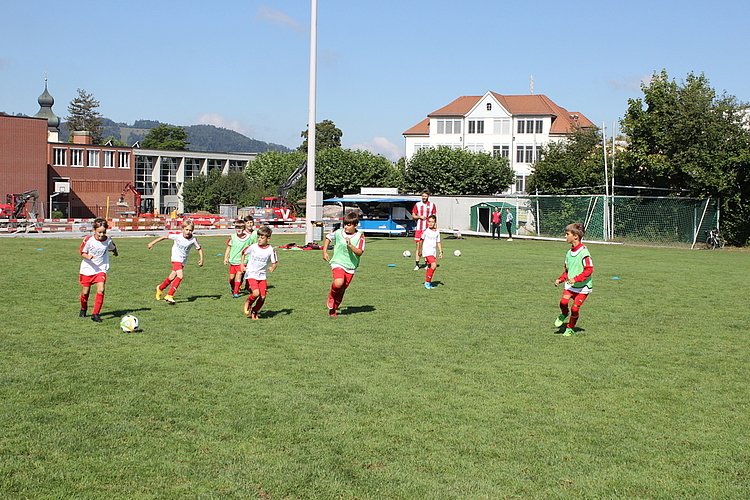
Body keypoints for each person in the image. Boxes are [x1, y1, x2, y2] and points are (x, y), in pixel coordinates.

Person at [148, 219, 204, 304]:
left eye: (190, 230)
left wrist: (201, 259)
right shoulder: (177, 235)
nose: (188, 232)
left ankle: (160, 288)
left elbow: (199, 249)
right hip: (175, 258)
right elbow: (164, 237)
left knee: (171, 278)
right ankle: (169, 295)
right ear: (182, 229)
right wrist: (152, 243)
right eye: (187, 229)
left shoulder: (193, 239)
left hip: (183, 261)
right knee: (180, 276)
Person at [554, 223, 594, 336]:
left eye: (567, 234)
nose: (565, 237)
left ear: (575, 236)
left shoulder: (584, 252)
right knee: (563, 302)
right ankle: (564, 313)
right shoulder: (569, 252)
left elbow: (589, 270)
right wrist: (560, 279)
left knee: (575, 309)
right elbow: (567, 271)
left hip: (583, 287)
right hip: (571, 286)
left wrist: (576, 279)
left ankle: (570, 328)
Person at [322, 212, 365, 316]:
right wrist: (324, 251)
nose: (346, 227)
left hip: (351, 266)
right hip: (338, 262)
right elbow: (328, 237)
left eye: (349, 225)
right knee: (339, 283)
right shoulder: (338, 232)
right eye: (345, 224)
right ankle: (331, 295)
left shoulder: (360, 236)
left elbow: (359, 252)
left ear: (356, 225)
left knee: (342, 289)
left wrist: (350, 245)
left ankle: (333, 310)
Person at [78, 218, 118, 322]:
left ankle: (95, 314)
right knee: (85, 292)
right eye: (99, 232)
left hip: (101, 268)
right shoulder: (88, 240)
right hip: (88, 268)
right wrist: (88, 257)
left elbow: (113, 247)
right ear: (94, 230)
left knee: (101, 289)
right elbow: (82, 252)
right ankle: (83, 308)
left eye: (103, 232)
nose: (101, 234)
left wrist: (115, 252)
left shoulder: (108, 240)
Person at [240, 225, 277, 320]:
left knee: (263, 297)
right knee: (256, 293)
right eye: (258, 237)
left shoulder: (271, 250)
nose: (259, 239)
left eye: (262, 237)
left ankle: (254, 311)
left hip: (262, 275)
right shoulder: (253, 247)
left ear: (268, 239)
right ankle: (248, 302)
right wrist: (242, 265)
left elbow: (274, 262)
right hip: (251, 273)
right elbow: (243, 253)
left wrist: (272, 267)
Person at [224, 219, 253, 297]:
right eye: (237, 227)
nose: (238, 229)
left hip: (242, 261)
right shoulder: (232, 237)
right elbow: (228, 248)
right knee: (231, 278)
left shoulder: (249, 238)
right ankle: (233, 287)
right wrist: (226, 258)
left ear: (244, 228)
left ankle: (236, 292)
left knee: (239, 275)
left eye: (240, 228)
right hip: (233, 261)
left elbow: (251, 248)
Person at [412, 189, 437, 270]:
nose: (424, 197)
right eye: (423, 196)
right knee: (418, 246)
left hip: (428, 229)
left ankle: (427, 263)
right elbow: (413, 216)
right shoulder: (417, 205)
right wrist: (419, 217)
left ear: (428, 196)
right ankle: (417, 264)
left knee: (427, 246)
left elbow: (434, 217)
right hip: (419, 228)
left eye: (425, 196)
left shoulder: (432, 205)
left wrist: (434, 227)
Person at [421, 214, 443, 289]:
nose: (430, 223)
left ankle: (428, 283)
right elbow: (421, 240)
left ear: (435, 223)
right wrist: (419, 251)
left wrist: (441, 252)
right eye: (429, 222)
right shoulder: (426, 231)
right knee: (434, 265)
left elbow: (438, 242)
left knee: (430, 267)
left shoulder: (437, 232)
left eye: (432, 222)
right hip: (427, 251)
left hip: (433, 251)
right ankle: (427, 283)